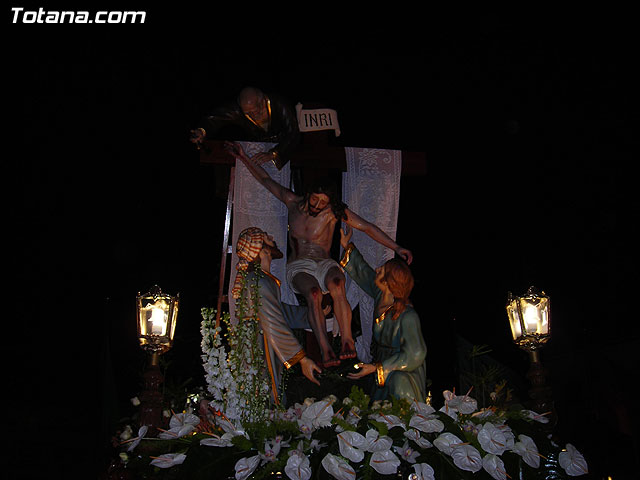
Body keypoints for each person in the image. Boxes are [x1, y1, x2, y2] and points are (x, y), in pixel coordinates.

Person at [227, 142, 413, 369]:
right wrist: (244, 158)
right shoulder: (293, 202)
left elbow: (367, 227)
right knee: (314, 294)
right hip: (299, 266)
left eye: (323, 203)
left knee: (337, 283)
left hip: (324, 263)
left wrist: (396, 247)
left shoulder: (333, 213)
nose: (318, 206)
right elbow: (266, 181)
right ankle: (325, 348)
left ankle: (347, 341)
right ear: (308, 194)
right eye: (315, 200)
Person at [232, 226, 322, 405]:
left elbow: (278, 311)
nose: (271, 237)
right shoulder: (258, 281)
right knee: (263, 395)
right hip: (259, 348)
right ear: (262, 250)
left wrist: (313, 313)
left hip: (263, 343)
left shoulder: (261, 280)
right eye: (266, 237)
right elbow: (274, 321)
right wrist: (302, 359)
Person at [341, 225, 427, 403]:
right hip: (381, 366)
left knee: (398, 397)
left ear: (390, 282)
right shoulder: (381, 294)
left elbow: (416, 353)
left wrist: (377, 368)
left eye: (383, 270)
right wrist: (346, 246)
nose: (378, 269)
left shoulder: (407, 315)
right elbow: (364, 273)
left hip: (402, 372)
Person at [190, 86, 300, 170]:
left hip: (284, 150)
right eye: (248, 113)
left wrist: (274, 154)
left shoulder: (280, 104)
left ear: (262, 101)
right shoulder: (241, 111)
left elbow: (293, 133)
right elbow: (216, 117)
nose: (253, 115)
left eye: (255, 110)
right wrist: (202, 130)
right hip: (258, 151)